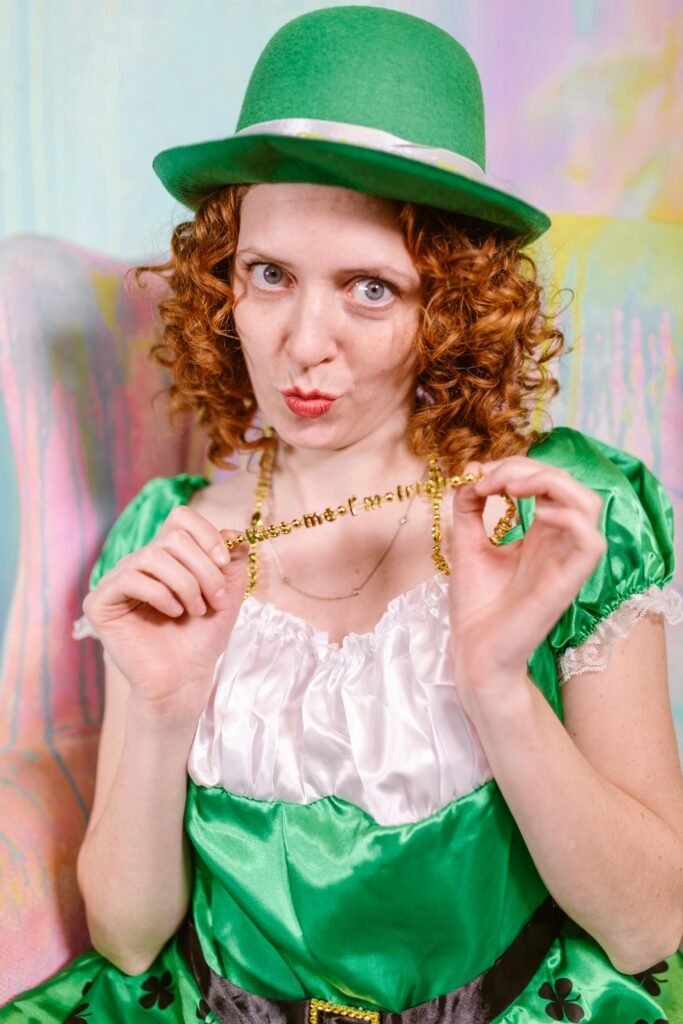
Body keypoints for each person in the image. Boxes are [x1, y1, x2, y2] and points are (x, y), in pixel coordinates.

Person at [3, 6, 683, 1022]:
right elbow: (130, 936)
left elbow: (645, 928)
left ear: (446, 307)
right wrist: (159, 710)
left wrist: (499, 687)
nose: (300, 343)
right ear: (220, 282)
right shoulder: (171, 538)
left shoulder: (555, 517)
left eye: (368, 287)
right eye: (268, 273)